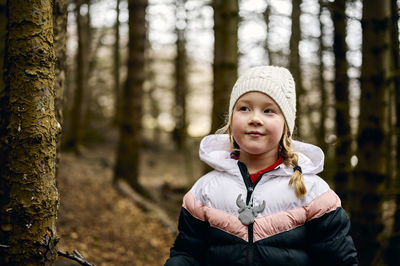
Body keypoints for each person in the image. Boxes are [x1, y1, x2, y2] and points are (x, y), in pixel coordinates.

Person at [165, 66, 358, 265]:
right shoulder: (205, 190)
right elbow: (186, 253)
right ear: (231, 120)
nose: (255, 119)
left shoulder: (314, 193)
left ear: (286, 126)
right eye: (244, 108)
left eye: (268, 111)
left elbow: (340, 261)